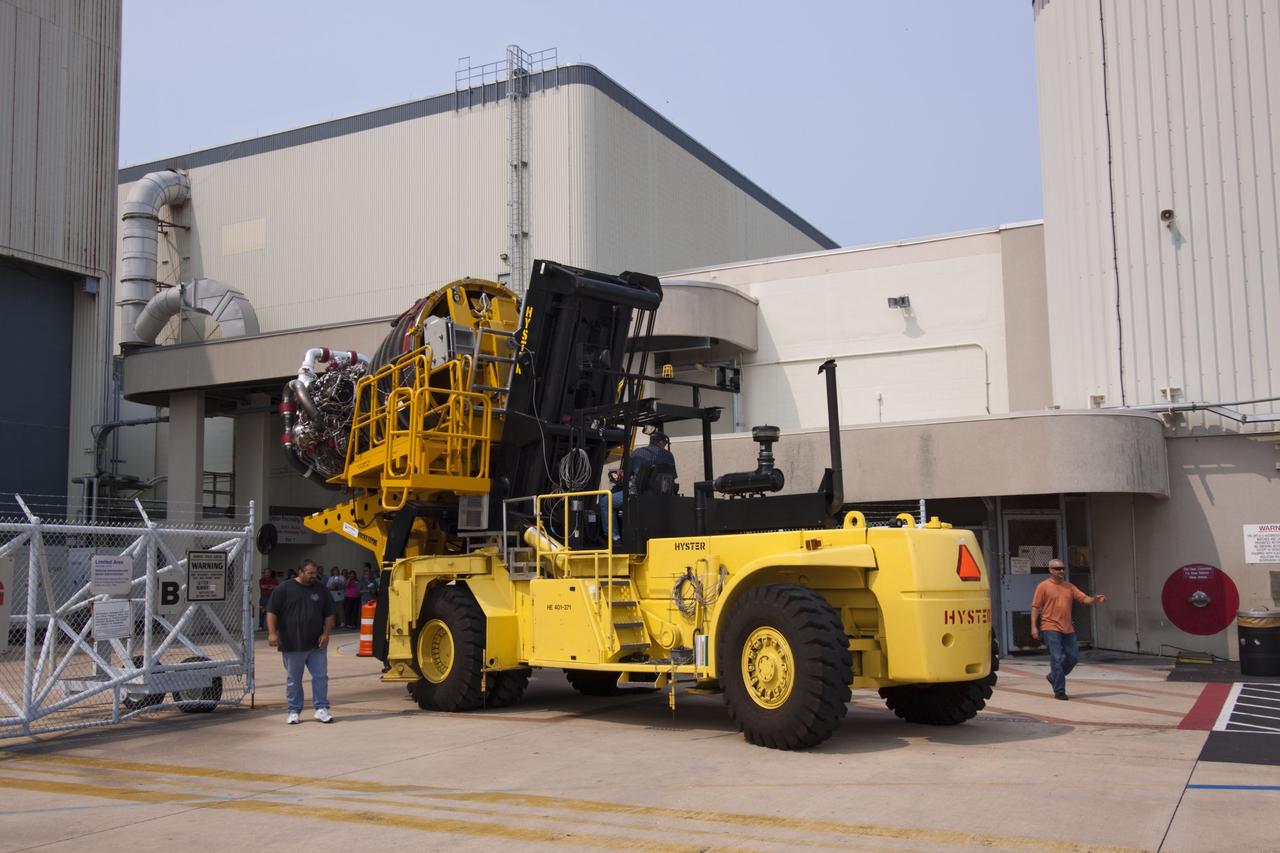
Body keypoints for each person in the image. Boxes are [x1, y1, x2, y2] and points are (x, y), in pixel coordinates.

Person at [266, 559, 335, 724]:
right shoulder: (284, 589)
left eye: (315, 573)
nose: (314, 576)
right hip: (292, 643)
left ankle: (321, 708)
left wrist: (326, 634)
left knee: (321, 676)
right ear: (300, 572)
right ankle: (294, 710)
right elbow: (272, 611)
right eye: (310, 573)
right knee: (293, 680)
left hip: (316, 644)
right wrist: (272, 633)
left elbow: (329, 614)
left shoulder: (321, 589)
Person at [1031, 558, 1105, 700]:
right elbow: (1035, 607)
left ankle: (1053, 676)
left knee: (1073, 658)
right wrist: (1034, 627)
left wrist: (1095, 598)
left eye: (1063, 568)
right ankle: (1060, 691)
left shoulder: (1069, 587)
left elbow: (1084, 599)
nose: (1061, 571)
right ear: (1050, 570)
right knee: (1057, 659)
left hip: (1068, 628)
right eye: (1057, 568)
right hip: (1050, 627)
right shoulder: (1043, 586)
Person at [626, 430, 676, 494]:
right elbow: (672, 476)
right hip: (662, 495)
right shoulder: (669, 455)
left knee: (613, 497)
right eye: (665, 443)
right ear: (661, 442)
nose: (665, 446)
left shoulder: (637, 452)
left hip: (638, 494)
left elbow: (627, 473)